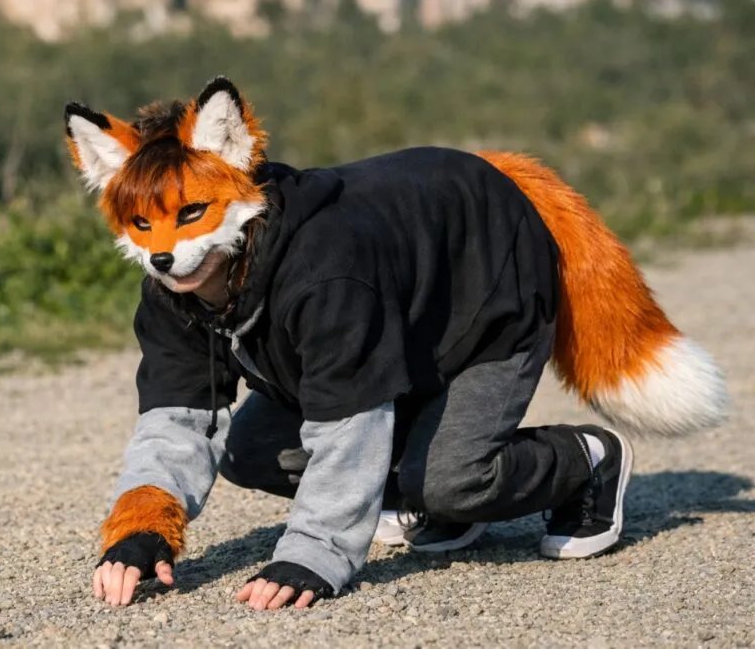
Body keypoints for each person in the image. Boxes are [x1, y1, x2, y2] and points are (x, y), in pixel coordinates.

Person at [63, 77, 729, 611]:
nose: (165, 252)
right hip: (401, 322)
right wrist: (141, 527)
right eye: (143, 225)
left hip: (481, 287)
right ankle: (423, 489)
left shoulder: (324, 269)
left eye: (189, 217)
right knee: (250, 446)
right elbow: (178, 412)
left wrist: (315, 552)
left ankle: (584, 462)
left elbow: (347, 419)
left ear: (234, 161)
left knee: (450, 481)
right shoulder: (176, 285)